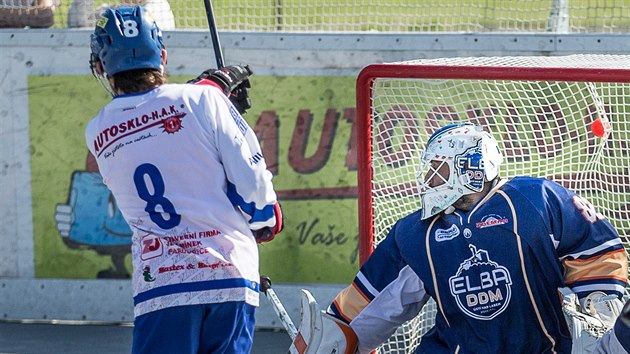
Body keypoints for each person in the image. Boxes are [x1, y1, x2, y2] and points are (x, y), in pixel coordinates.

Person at [296, 123, 628, 353]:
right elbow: (369, 307)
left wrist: (599, 309)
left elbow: (598, 252)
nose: (429, 181)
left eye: (437, 170)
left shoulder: (534, 199)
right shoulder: (416, 233)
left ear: (471, 168)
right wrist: (331, 337)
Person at [86, 6, 282, 354]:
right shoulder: (205, 100)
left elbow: (152, 122)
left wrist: (209, 91)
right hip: (230, 275)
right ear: (162, 55)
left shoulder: (98, 130)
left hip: (162, 283)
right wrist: (265, 222)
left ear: (101, 67)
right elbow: (252, 181)